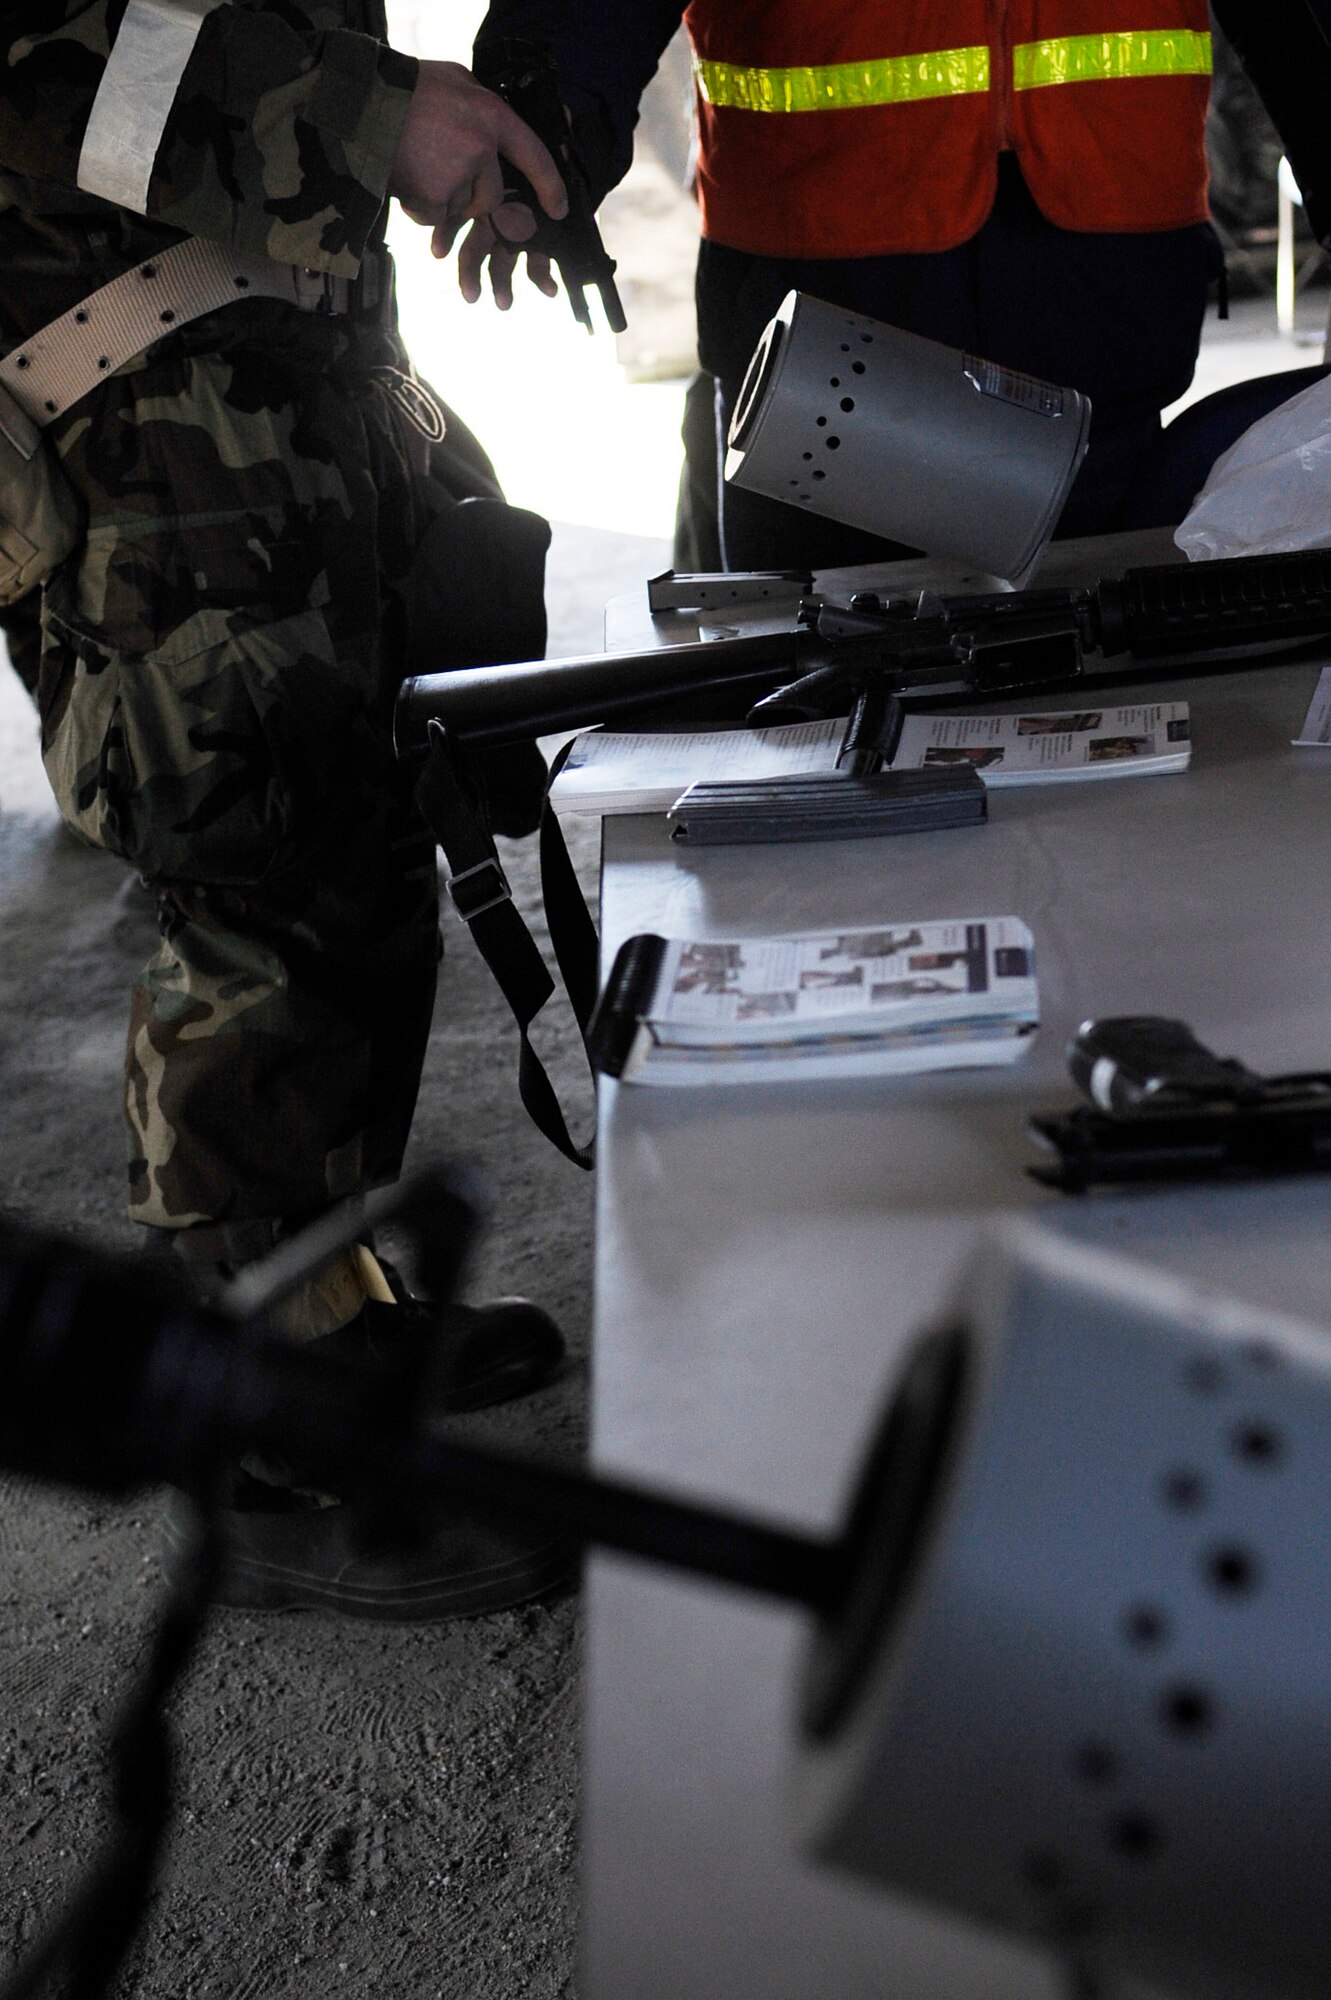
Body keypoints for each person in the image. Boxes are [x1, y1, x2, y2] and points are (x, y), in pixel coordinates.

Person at [0, 6, 574, 1618]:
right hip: (126, 388)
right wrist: (365, 118)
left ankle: (333, 1316)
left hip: (280, 356)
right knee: (258, 876)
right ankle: (262, 1446)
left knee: (363, 820)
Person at [464, 1, 1331, 570]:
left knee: (1112, 700)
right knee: (814, 709)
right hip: (823, 308)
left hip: (1103, 294)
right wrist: (545, 121)